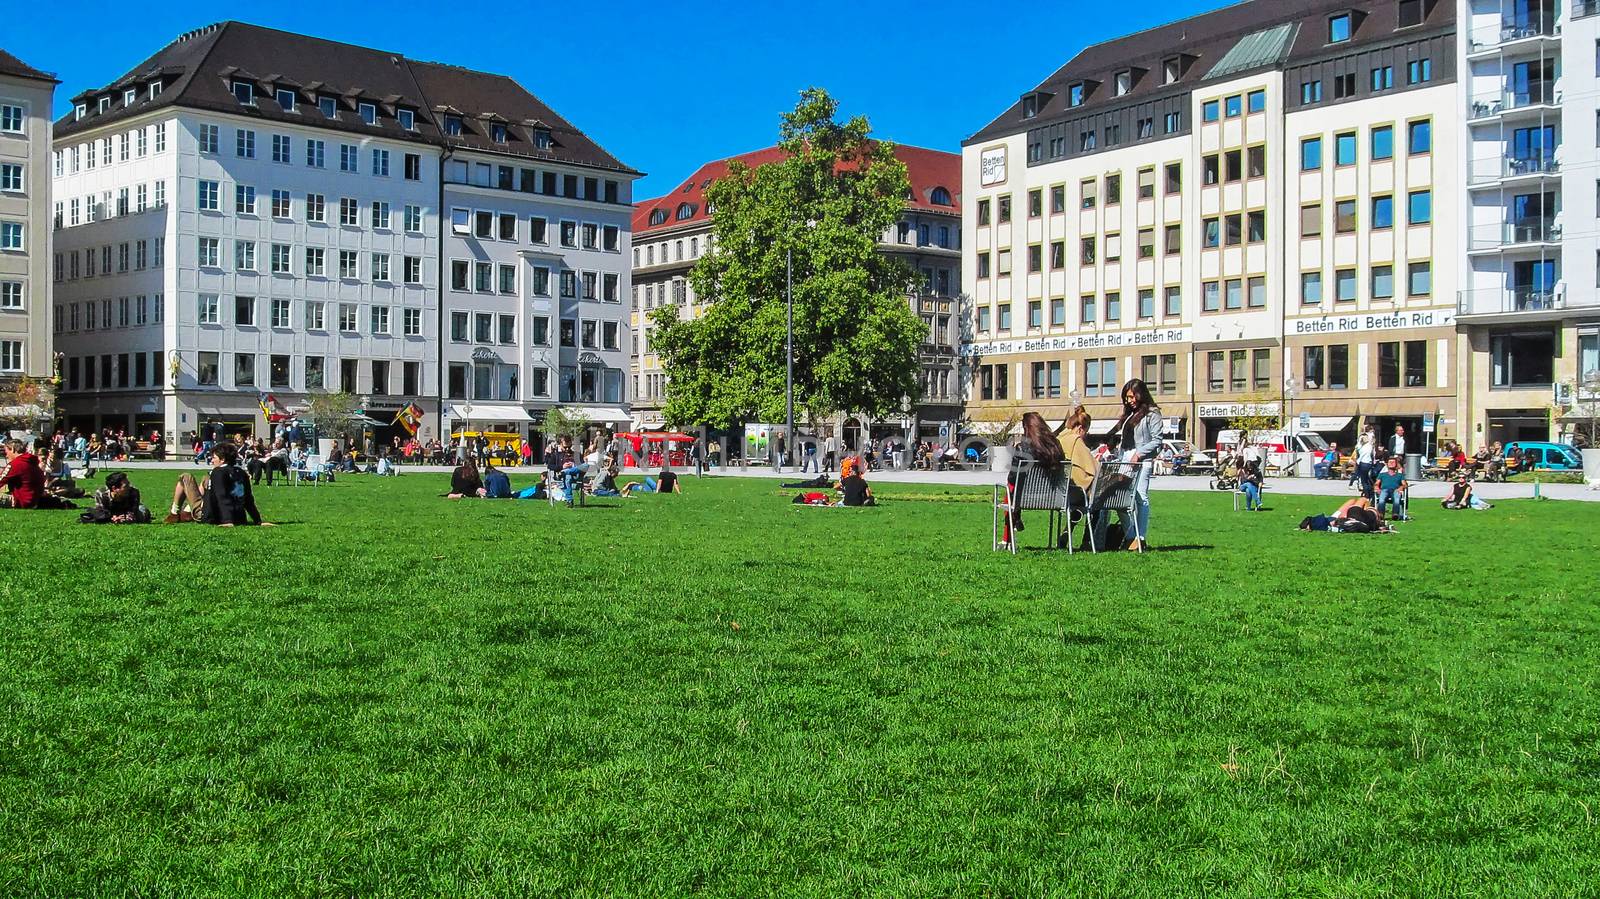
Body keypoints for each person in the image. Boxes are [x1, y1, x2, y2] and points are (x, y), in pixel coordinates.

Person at [1106, 378, 1162, 551]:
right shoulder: (1130, 414)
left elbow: (1157, 441)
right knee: (1121, 498)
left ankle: (1140, 537)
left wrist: (1139, 454)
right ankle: (1131, 534)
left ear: (1140, 394)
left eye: (1131, 397)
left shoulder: (1152, 413)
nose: (1128, 401)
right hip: (1125, 457)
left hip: (1141, 460)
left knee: (1140, 497)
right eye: (1126, 397)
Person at [167, 442, 271, 526]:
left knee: (185, 477)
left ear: (222, 459)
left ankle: (175, 513)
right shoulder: (241, 473)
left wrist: (227, 521)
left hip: (212, 515)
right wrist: (258, 520)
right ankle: (187, 511)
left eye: (214, 458)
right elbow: (248, 499)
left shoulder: (218, 472)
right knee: (206, 479)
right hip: (239, 517)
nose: (212, 461)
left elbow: (222, 498)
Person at [82, 471, 150, 524]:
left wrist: (127, 517)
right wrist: (112, 518)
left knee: (144, 513)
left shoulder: (134, 492)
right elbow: (101, 511)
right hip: (110, 511)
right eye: (125, 486)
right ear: (114, 488)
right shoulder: (101, 494)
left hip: (127, 510)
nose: (129, 488)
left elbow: (133, 511)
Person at [0, 439, 47, 508]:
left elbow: (1, 481)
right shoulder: (34, 463)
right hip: (36, 501)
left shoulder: (15, 464)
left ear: (12, 449)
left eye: (6, 452)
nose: (6, 456)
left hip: (20, 501)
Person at [1373, 456, 1408, 521]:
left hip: (1395, 490)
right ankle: (1380, 514)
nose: (1391, 463)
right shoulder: (1382, 474)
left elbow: (1405, 484)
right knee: (1381, 499)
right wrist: (1377, 487)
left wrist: (1401, 487)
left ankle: (1395, 514)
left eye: (1393, 462)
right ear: (1387, 464)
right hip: (1384, 490)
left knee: (1397, 499)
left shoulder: (1400, 475)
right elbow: (1377, 483)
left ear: (1396, 464)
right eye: (1390, 462)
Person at [1354, 427, 1377, 497]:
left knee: (1364, 480)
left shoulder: (1360, 446)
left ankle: (1367, 494)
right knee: (1368, 478)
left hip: (1362, 463)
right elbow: (1373, 454)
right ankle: (1370, 492)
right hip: (1369, 463)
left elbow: (1357, 453)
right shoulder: (1370, 446)